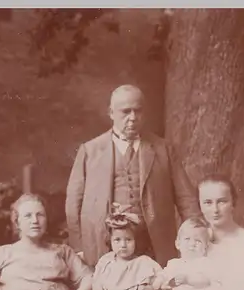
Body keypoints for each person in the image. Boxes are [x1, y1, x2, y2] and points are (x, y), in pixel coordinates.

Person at [65, 84, 200, 268]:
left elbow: (186, 198)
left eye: (138, 111)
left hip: (154, 243)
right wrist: (79, 247)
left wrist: (197, 236)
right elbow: (73, 204)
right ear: (111, 113)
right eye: (125, 112)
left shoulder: (163, 149)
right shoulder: (90, 151)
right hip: (106, 244)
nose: (133, 118)